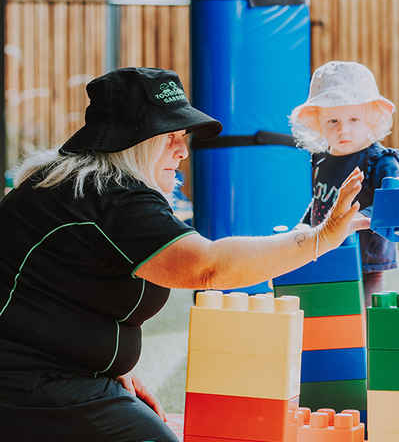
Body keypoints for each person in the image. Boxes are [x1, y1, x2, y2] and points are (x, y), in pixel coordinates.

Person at [0, 67, 369, 442]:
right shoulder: (112, 197)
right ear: (131, 143)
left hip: (51, 372)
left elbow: (56, 292)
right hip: (27, 383)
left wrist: (104, 365)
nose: (182, 151)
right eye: (169, 137)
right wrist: (321, 238)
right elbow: (207, 267)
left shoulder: (79, 185)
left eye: (183, 136)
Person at [290, 60, 399, 306]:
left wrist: (355, 219)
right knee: (328, 314)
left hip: (365, 257)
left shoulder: (380, 160)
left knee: (360, 319)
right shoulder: (322, 158)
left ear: (371, 119)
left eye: (354, 119)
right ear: (318, 122)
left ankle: (364, 345)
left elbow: (395, 205)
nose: (344, 130)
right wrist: (303, 226)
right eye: (333, 121)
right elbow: (322, 199)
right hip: (325, 252)